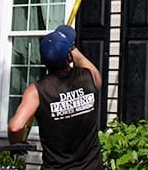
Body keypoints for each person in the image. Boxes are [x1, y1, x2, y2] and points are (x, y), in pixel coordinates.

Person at [8, 24, 103, 169]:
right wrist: (70, 47)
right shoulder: (88, 77)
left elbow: (15, 127)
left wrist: (16, 143)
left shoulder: (37, 91)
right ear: (68, 57)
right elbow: (92, 71)